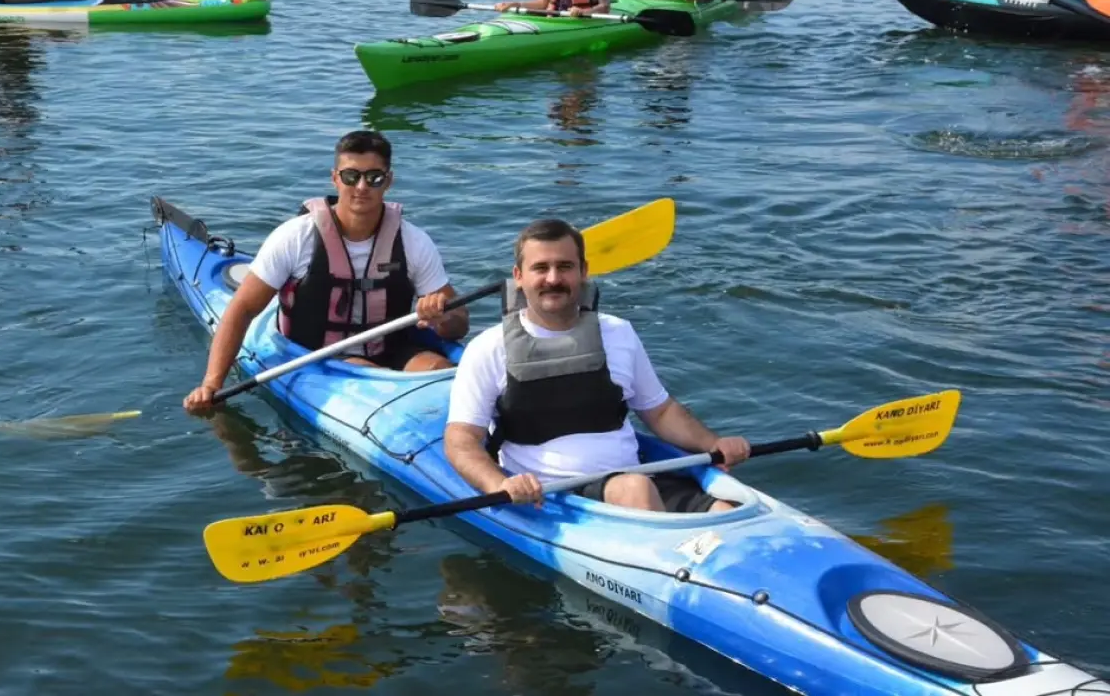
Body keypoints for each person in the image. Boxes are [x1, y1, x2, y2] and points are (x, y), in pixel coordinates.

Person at [444, 218, 751, 512]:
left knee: (723, 509)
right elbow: (461, 441)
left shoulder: (618, 332)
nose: (553, 278)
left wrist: (714, 443)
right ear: (519, 277)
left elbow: (660, 411)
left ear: (584, 272)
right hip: (552, 495)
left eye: (565, 267)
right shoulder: (488, 348)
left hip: (636, 477)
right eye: (541, 268)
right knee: (636, 490)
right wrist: (499, 483)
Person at [182, 131, 468, 415]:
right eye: (351, 176)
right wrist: (212, 383)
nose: (361, 187)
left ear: (388, 181)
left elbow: (459, 327)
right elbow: (242, 308)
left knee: (440, 370)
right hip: (316, 353)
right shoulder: (296, 237)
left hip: (390, 347)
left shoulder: (414, 241)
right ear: (335, 179)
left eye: (374, 178)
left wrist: (443, 317)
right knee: (368, 372)